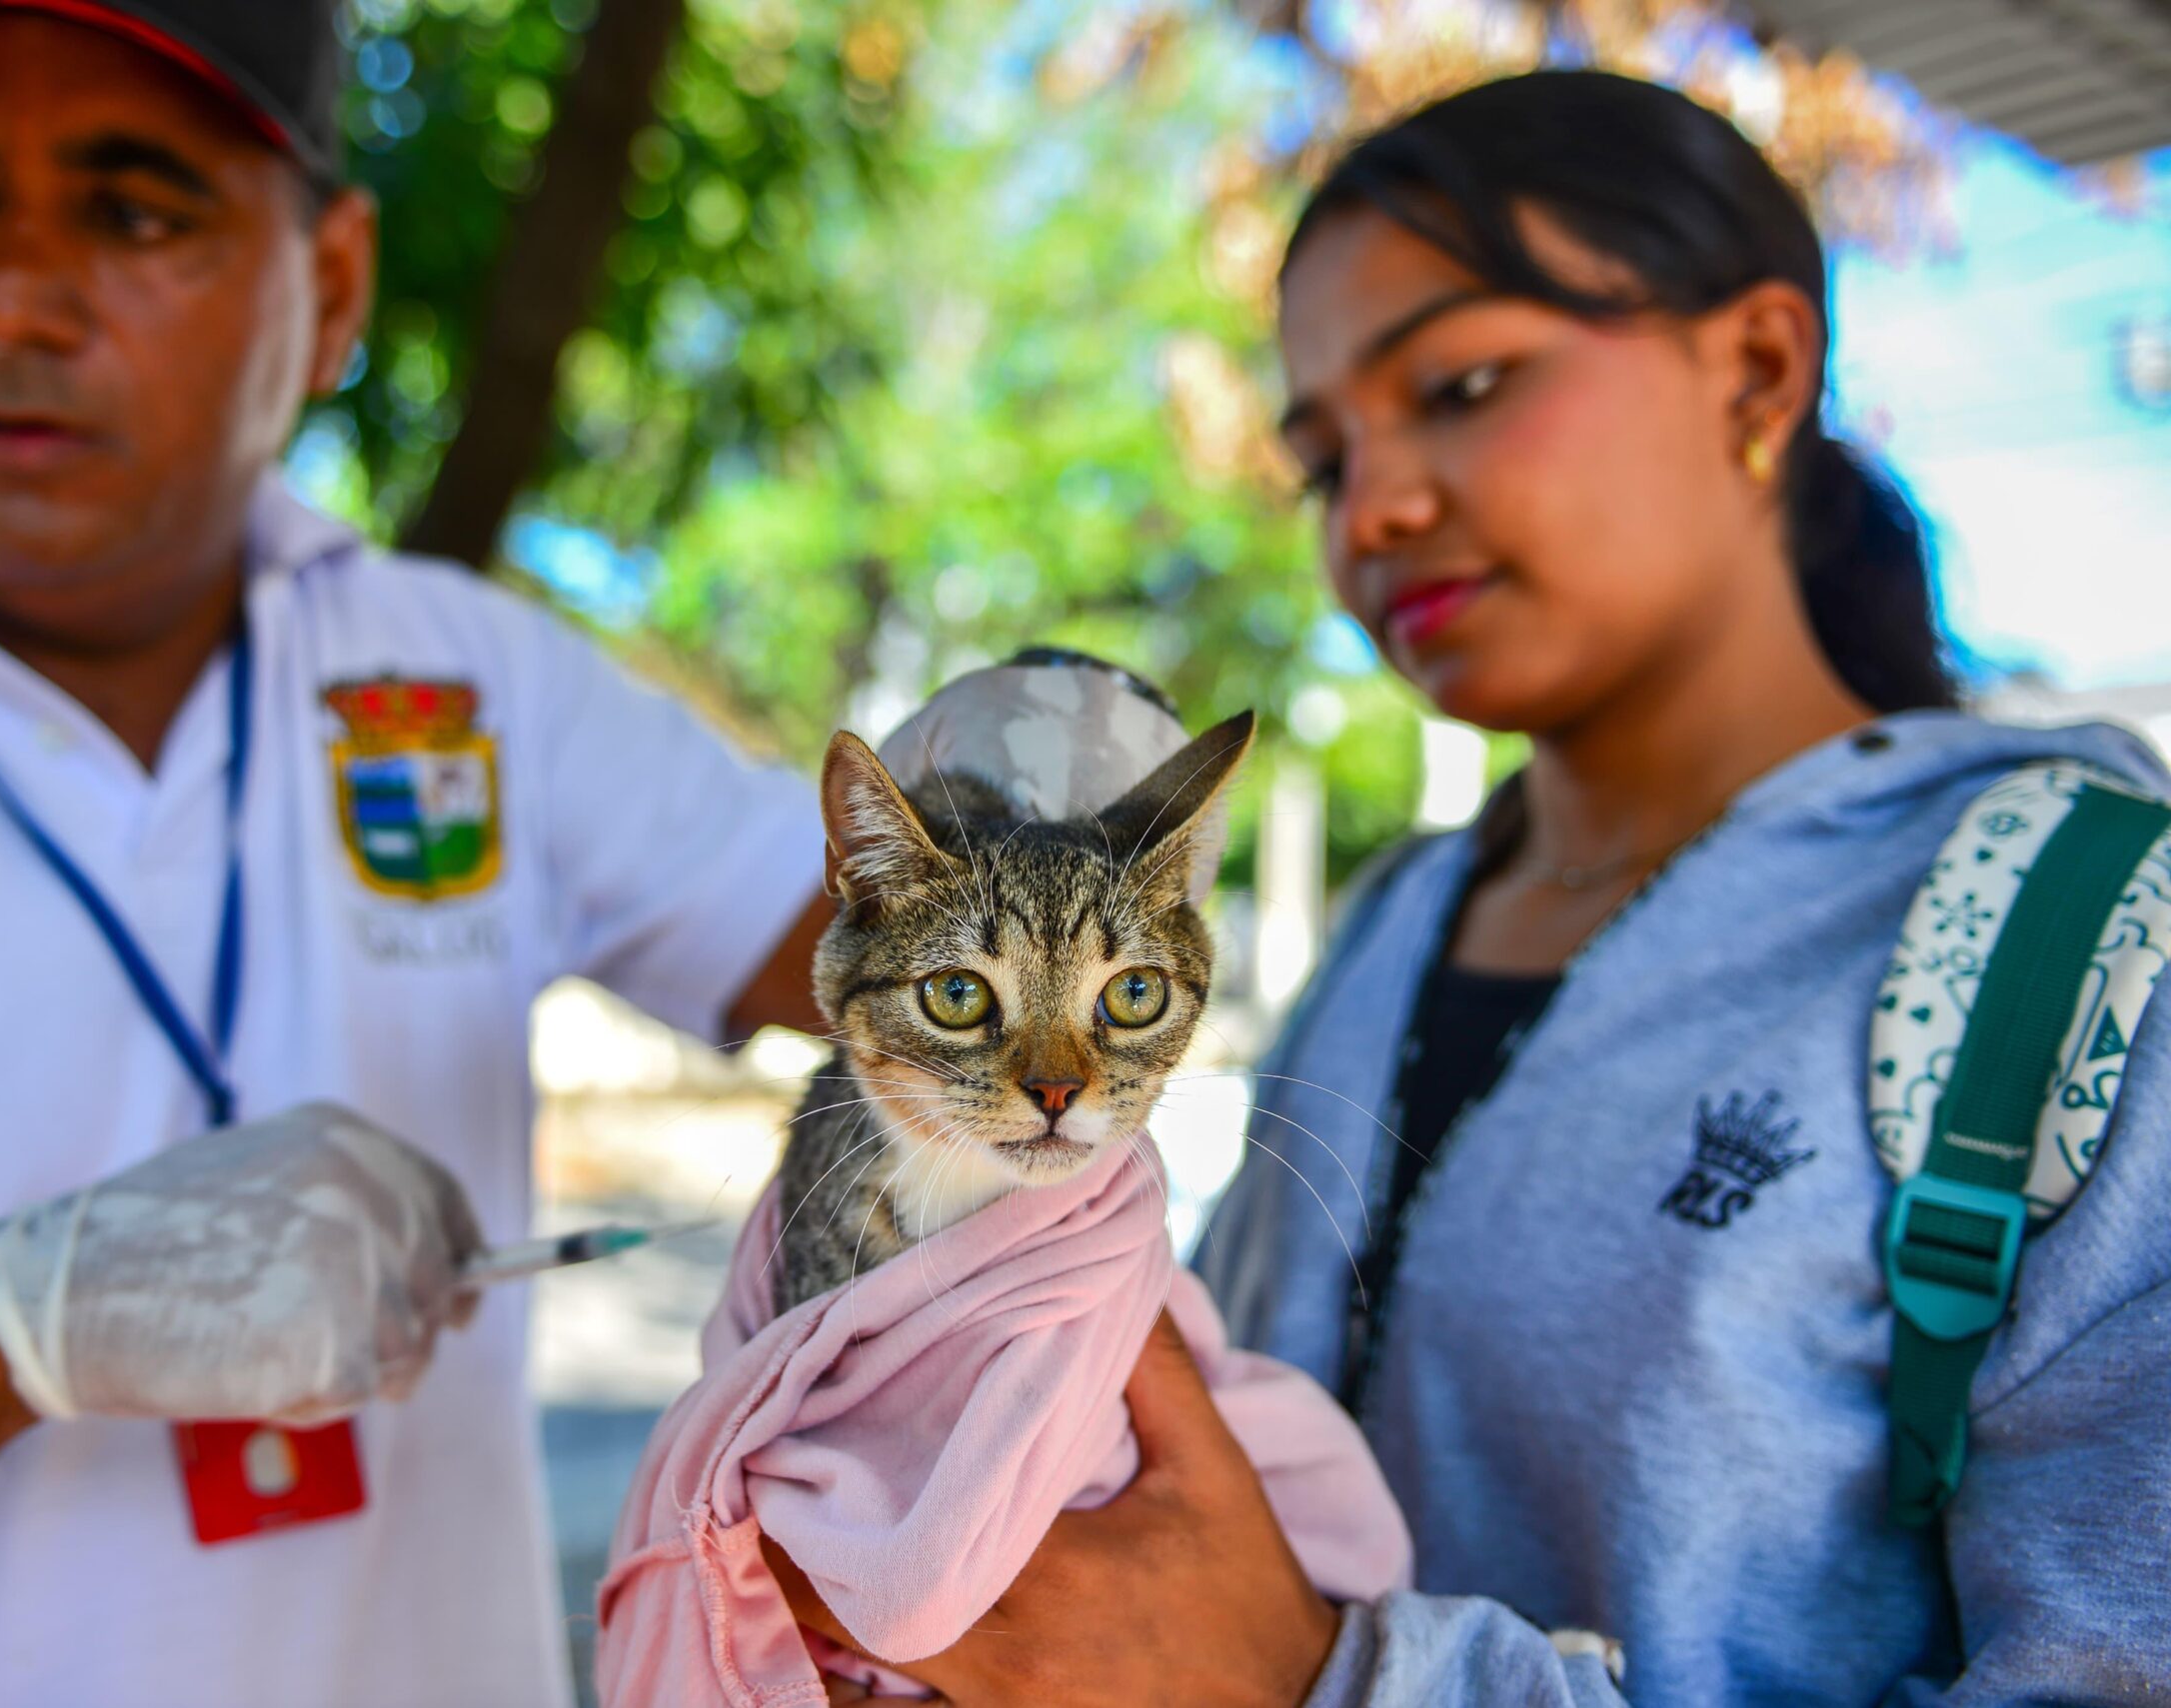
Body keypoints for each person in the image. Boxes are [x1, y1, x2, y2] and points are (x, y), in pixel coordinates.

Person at [775, 70, 2171, 1705]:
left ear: (1760, 367)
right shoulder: (1394, 917)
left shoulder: (2090, 949)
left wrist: (1329, 1677)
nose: (1373, 508)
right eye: (1319, 458)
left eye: (1462, 382)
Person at [0, 5, 833, 1705]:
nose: (0, 302)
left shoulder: (462, 677)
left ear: (332, 285)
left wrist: (1030, 798)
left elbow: (863, 931)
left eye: (131, 212)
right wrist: (0, 1326)